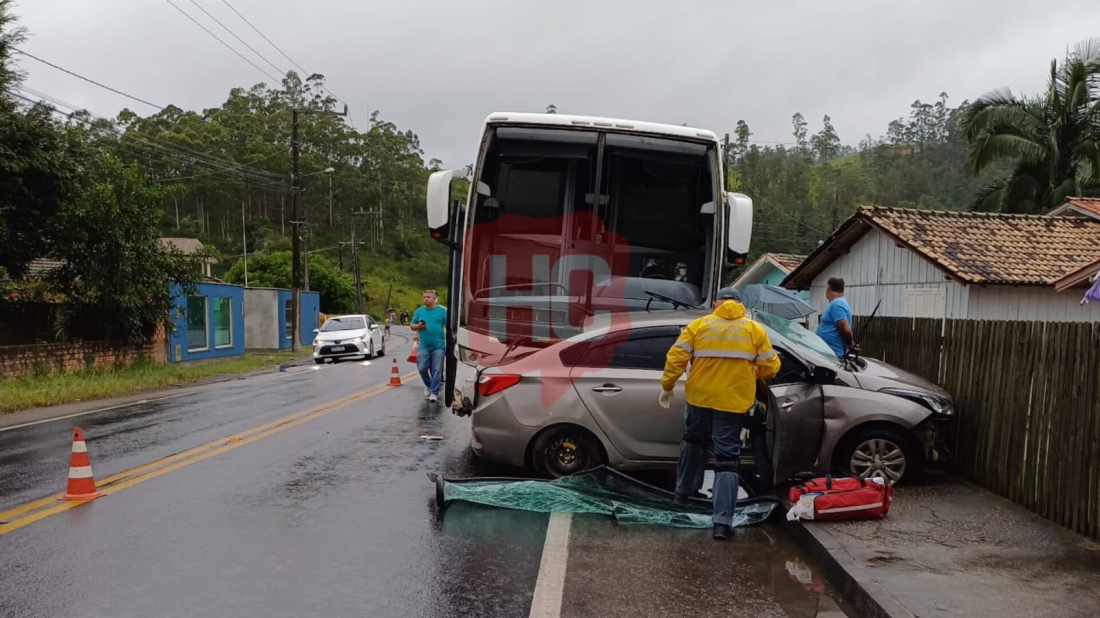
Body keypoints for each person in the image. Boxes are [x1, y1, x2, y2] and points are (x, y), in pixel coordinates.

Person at [659, 286, 781, 540]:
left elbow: (675, 358)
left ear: (716, 303)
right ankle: (722, 523)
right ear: (739, 304)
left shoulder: (699, 326)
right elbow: (770, 367)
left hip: (699, 399)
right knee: (727, 459)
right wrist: (751, 373)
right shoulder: (754, 329)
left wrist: (667, 387)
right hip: (733, 403)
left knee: (692, 441)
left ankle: (681, 495)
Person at [411, 290, 447, 403]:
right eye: (424, 297)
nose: (426, 299)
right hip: (424, 346)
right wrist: (418, 326)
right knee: (422, 367)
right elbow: (412, 325)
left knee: (437, 370)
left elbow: (450, 325)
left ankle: (433, 392)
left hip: (438, 346)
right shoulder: (419, 311)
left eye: (428, 297)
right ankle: (429, 384)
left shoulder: (442, 312)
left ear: (434, 299)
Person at [816, 277, 854, 357]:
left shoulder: (837, 304)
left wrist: (850, 344)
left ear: (828, 288)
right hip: (830, 354)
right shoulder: (838, 303)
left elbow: (846, 331)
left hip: (834, 355)